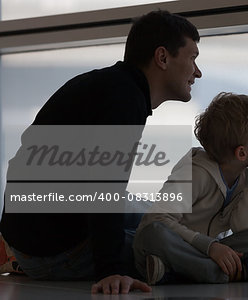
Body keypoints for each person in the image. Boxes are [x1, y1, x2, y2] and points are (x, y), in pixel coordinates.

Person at [0, 10, 202, 294]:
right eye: (193, 57)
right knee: (168, 246)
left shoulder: (113, 85)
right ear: (163, 57)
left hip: (35, 230)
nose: (197, 71)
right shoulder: (124, 99)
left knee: (157, 215)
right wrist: (112, 269)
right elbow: (103, 185)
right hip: (54, 252)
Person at [133, 92, 248, 285]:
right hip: (170, 248)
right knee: (154, 232)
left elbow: (244, 227)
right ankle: (229, 273)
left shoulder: (244, 175)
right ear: (241, 153)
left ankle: (178, 273)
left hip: (198, 254)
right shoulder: (194, 173)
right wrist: (210, 247)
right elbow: (157, 219)